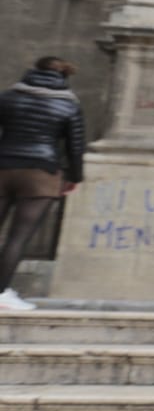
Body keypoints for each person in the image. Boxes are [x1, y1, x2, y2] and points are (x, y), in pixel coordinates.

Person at [0, 56, 86, 312]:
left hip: (2, 165)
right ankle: (1, 292)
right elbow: (75, 147)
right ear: (64, 77)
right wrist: (74, 177)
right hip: (42, 173)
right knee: (18, 237)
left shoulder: (7, 97)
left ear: (34, 70)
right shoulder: (69, 106)